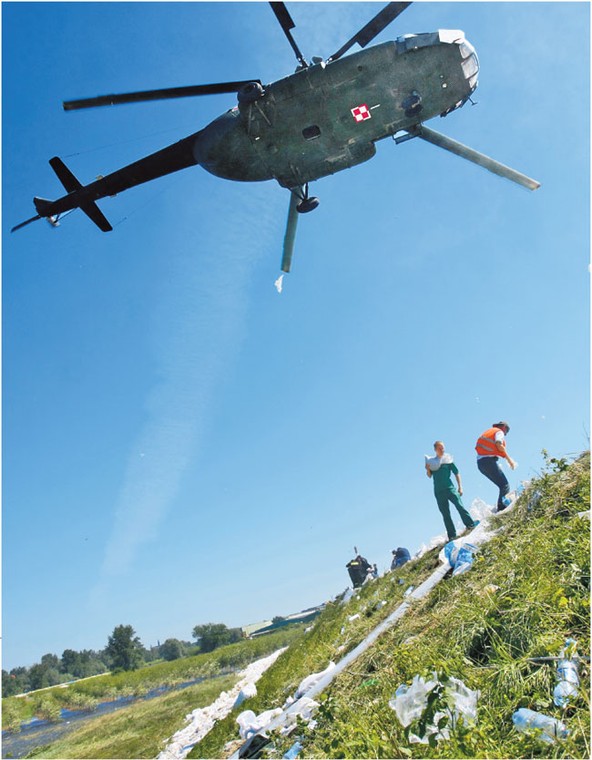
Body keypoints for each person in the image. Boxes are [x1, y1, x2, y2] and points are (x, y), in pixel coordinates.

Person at [426, 441, 478, 540]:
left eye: (443, 448)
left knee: (460, 506)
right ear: (435, 450)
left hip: (450, 488)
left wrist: (460, 487)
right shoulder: (432, 462)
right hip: (438, 491)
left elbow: (456, 472)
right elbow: (429, 475)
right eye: (440, 448)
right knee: (445, 514)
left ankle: (470, 525)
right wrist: (428, 469)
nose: (442, 450)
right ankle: (452, 535)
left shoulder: (448, 460)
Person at [475, 421, 516, 512]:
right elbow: (498, 444)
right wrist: (510, 460)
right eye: (507, 432)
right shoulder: (499, 432)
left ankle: (501, 507)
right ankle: (502, 509)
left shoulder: (490, 431)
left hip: (481, 464)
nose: (505, 434)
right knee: (504, 485)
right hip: (488, 462)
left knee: (501, 485)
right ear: (504, 427)